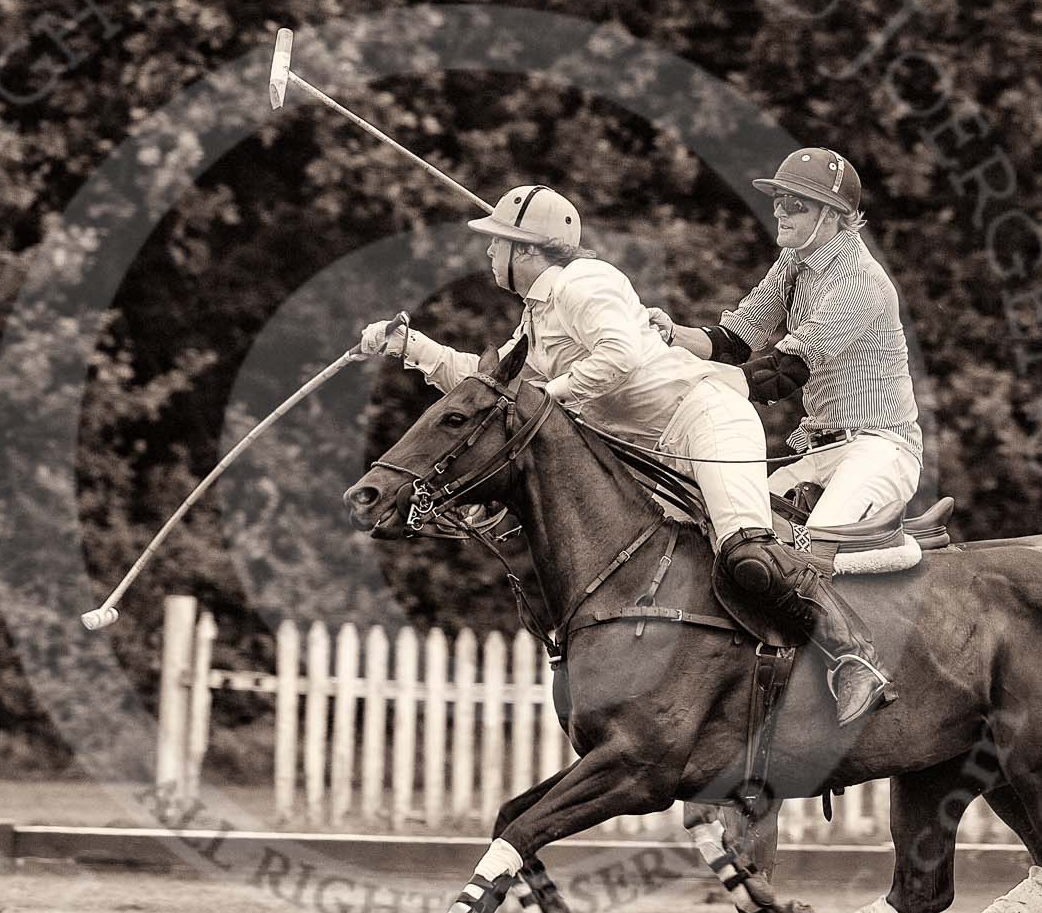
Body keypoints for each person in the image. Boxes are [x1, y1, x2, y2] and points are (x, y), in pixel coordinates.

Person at [361, 181, 890, 723]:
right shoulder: (537, 319)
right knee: (679, 578)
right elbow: (492, 391)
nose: (489, 253)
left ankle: (853, 657)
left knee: (746, 554)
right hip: (657, 454)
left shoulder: (585, 281)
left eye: (497, 242)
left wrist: (547, 399)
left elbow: (619, 354)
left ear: (526, 249)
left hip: (707, 421)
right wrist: (413, 348)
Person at [648, 148, 921, 711]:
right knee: (730, 531)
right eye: (778, 201)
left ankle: (859, 662)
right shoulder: (794, 264)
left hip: (881, 448)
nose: (780, 213)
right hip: (817, 450)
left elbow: (778, 374)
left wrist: (686, 377)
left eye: (796, 204)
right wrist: (668, 334)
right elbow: (735, 341)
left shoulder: (864, 284)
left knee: (808, 552)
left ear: (834, 216)